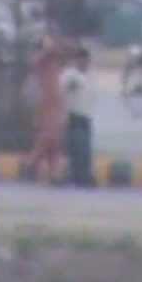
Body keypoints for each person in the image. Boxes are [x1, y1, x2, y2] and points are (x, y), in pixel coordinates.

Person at [27, 34, 72, 182]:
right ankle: (32, 163)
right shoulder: (40, 61)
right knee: (49, 135)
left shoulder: (55, 61)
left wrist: (59, 44)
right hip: (47, 102)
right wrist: (50, 47)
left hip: (56, 102)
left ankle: (54, 173)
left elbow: (64, 51)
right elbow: (46, 54)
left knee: (56, 139)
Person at [61, 46, 94, 188]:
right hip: (75, 118)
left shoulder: (88, 76)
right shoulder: (70, 75)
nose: (85, 63)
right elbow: (63, 91)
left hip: (86, 118)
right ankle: (77, 177)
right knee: (78, 150)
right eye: (82, 60)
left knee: (85, 151)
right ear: (77, 60)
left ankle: (83, 177)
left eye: (87, 61)